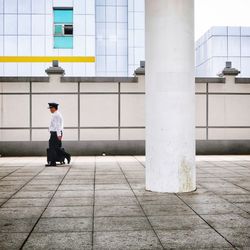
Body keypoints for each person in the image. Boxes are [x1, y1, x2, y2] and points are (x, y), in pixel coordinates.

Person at [46, 102, 71, 167]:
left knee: (53, 148)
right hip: (55, 133)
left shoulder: (56, 115)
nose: (50, 110)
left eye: (51, 108)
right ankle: (55, 161)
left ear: (54, 108)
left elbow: (58, 126)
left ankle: (54, 161)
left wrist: (59, 134)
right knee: (55, 148)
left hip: (56, 133)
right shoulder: (56, 114)